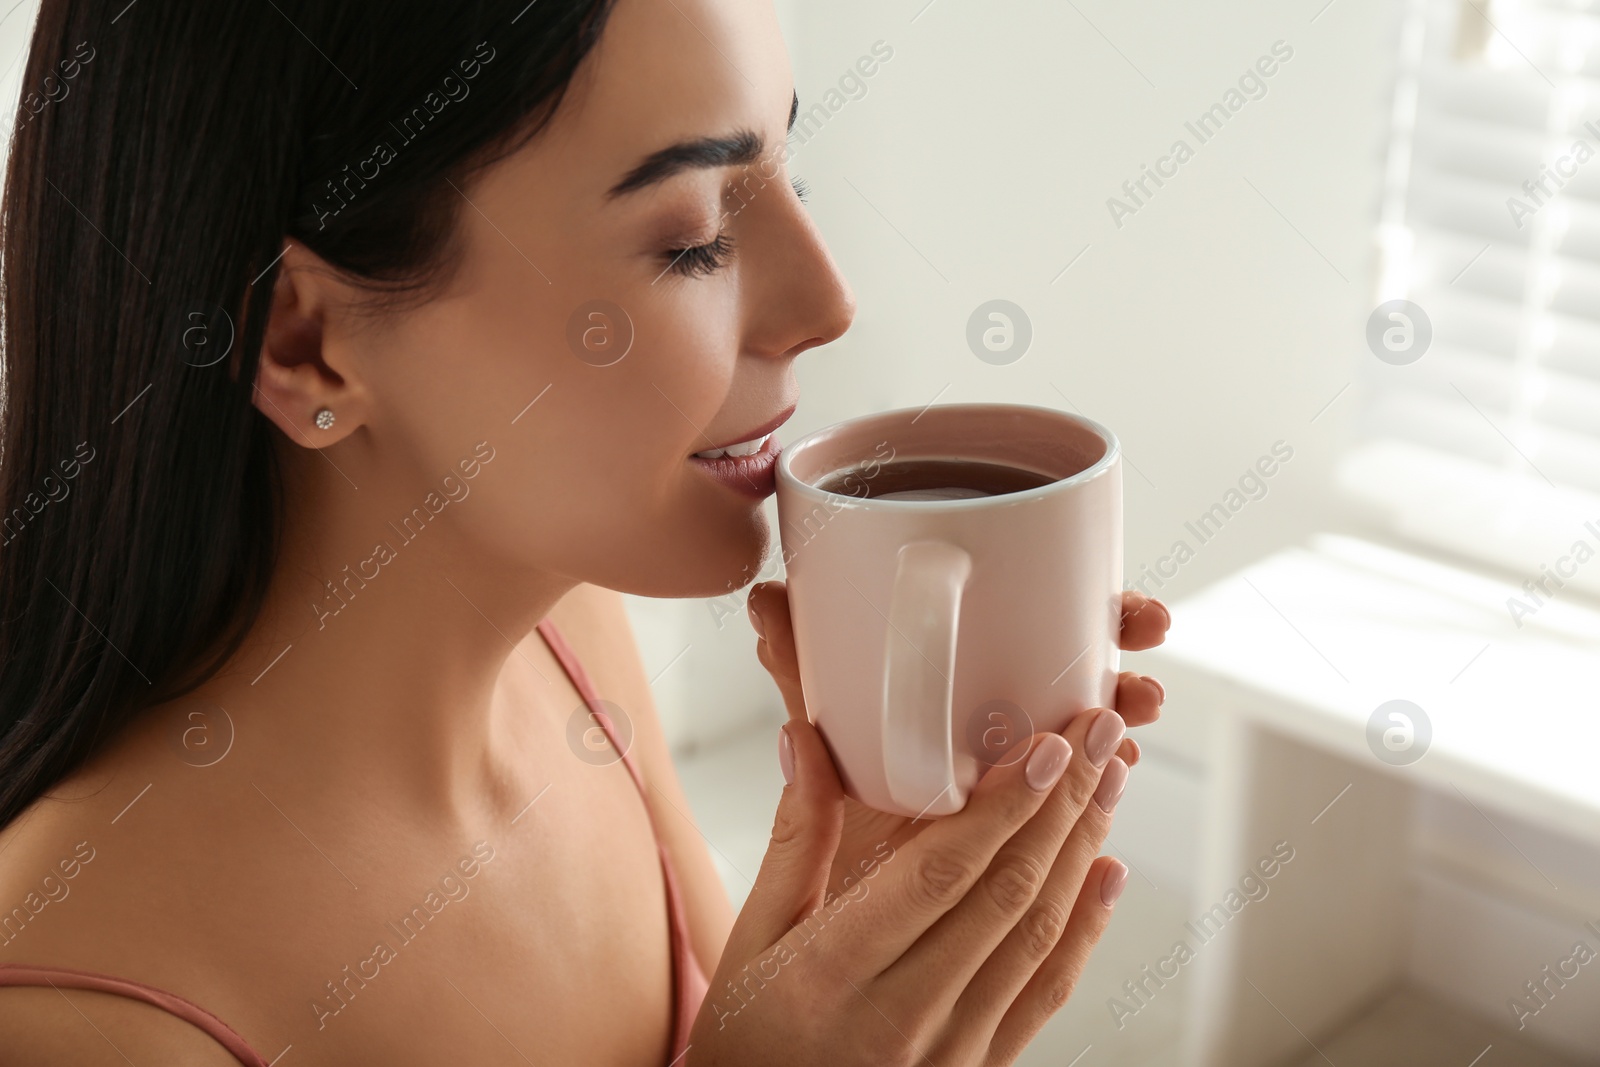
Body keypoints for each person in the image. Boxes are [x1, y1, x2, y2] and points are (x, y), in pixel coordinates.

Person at [0, 0, 1170, 1063]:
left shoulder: (572, 638)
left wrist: (859, 901)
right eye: (693, 238)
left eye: (788, 179)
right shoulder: (70, 1021)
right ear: (305, 342)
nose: (827, 302)